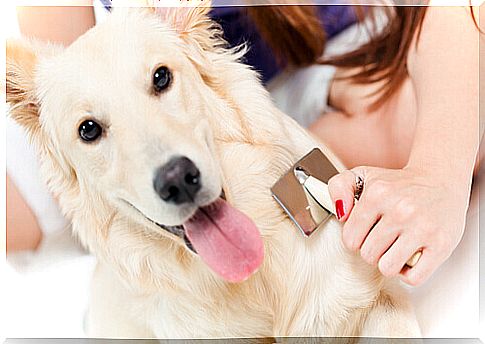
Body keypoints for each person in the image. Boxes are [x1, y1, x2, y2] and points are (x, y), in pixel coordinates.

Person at [7, 2, 481, 291]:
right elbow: (67, 82)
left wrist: (437, 178)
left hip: (329, 57)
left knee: (451, 121)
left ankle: (284, 229)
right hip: (134, 99)